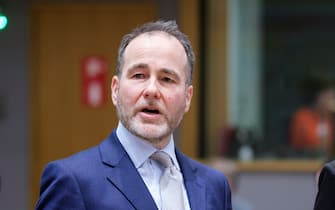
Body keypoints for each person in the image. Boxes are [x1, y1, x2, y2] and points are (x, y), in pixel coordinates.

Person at [35, 20, 232, 210]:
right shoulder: (72, 180)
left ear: (188, 98)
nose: (152, 90)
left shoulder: (214, 186)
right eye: (139, 75)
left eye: (167, 79)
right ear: (115, 90)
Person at [290, 71, 335, 154]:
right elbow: (310, 143)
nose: (331, 100)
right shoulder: (303, 117)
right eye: (328, 97)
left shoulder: (330, 118)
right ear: (318, 97)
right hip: (306, 162)